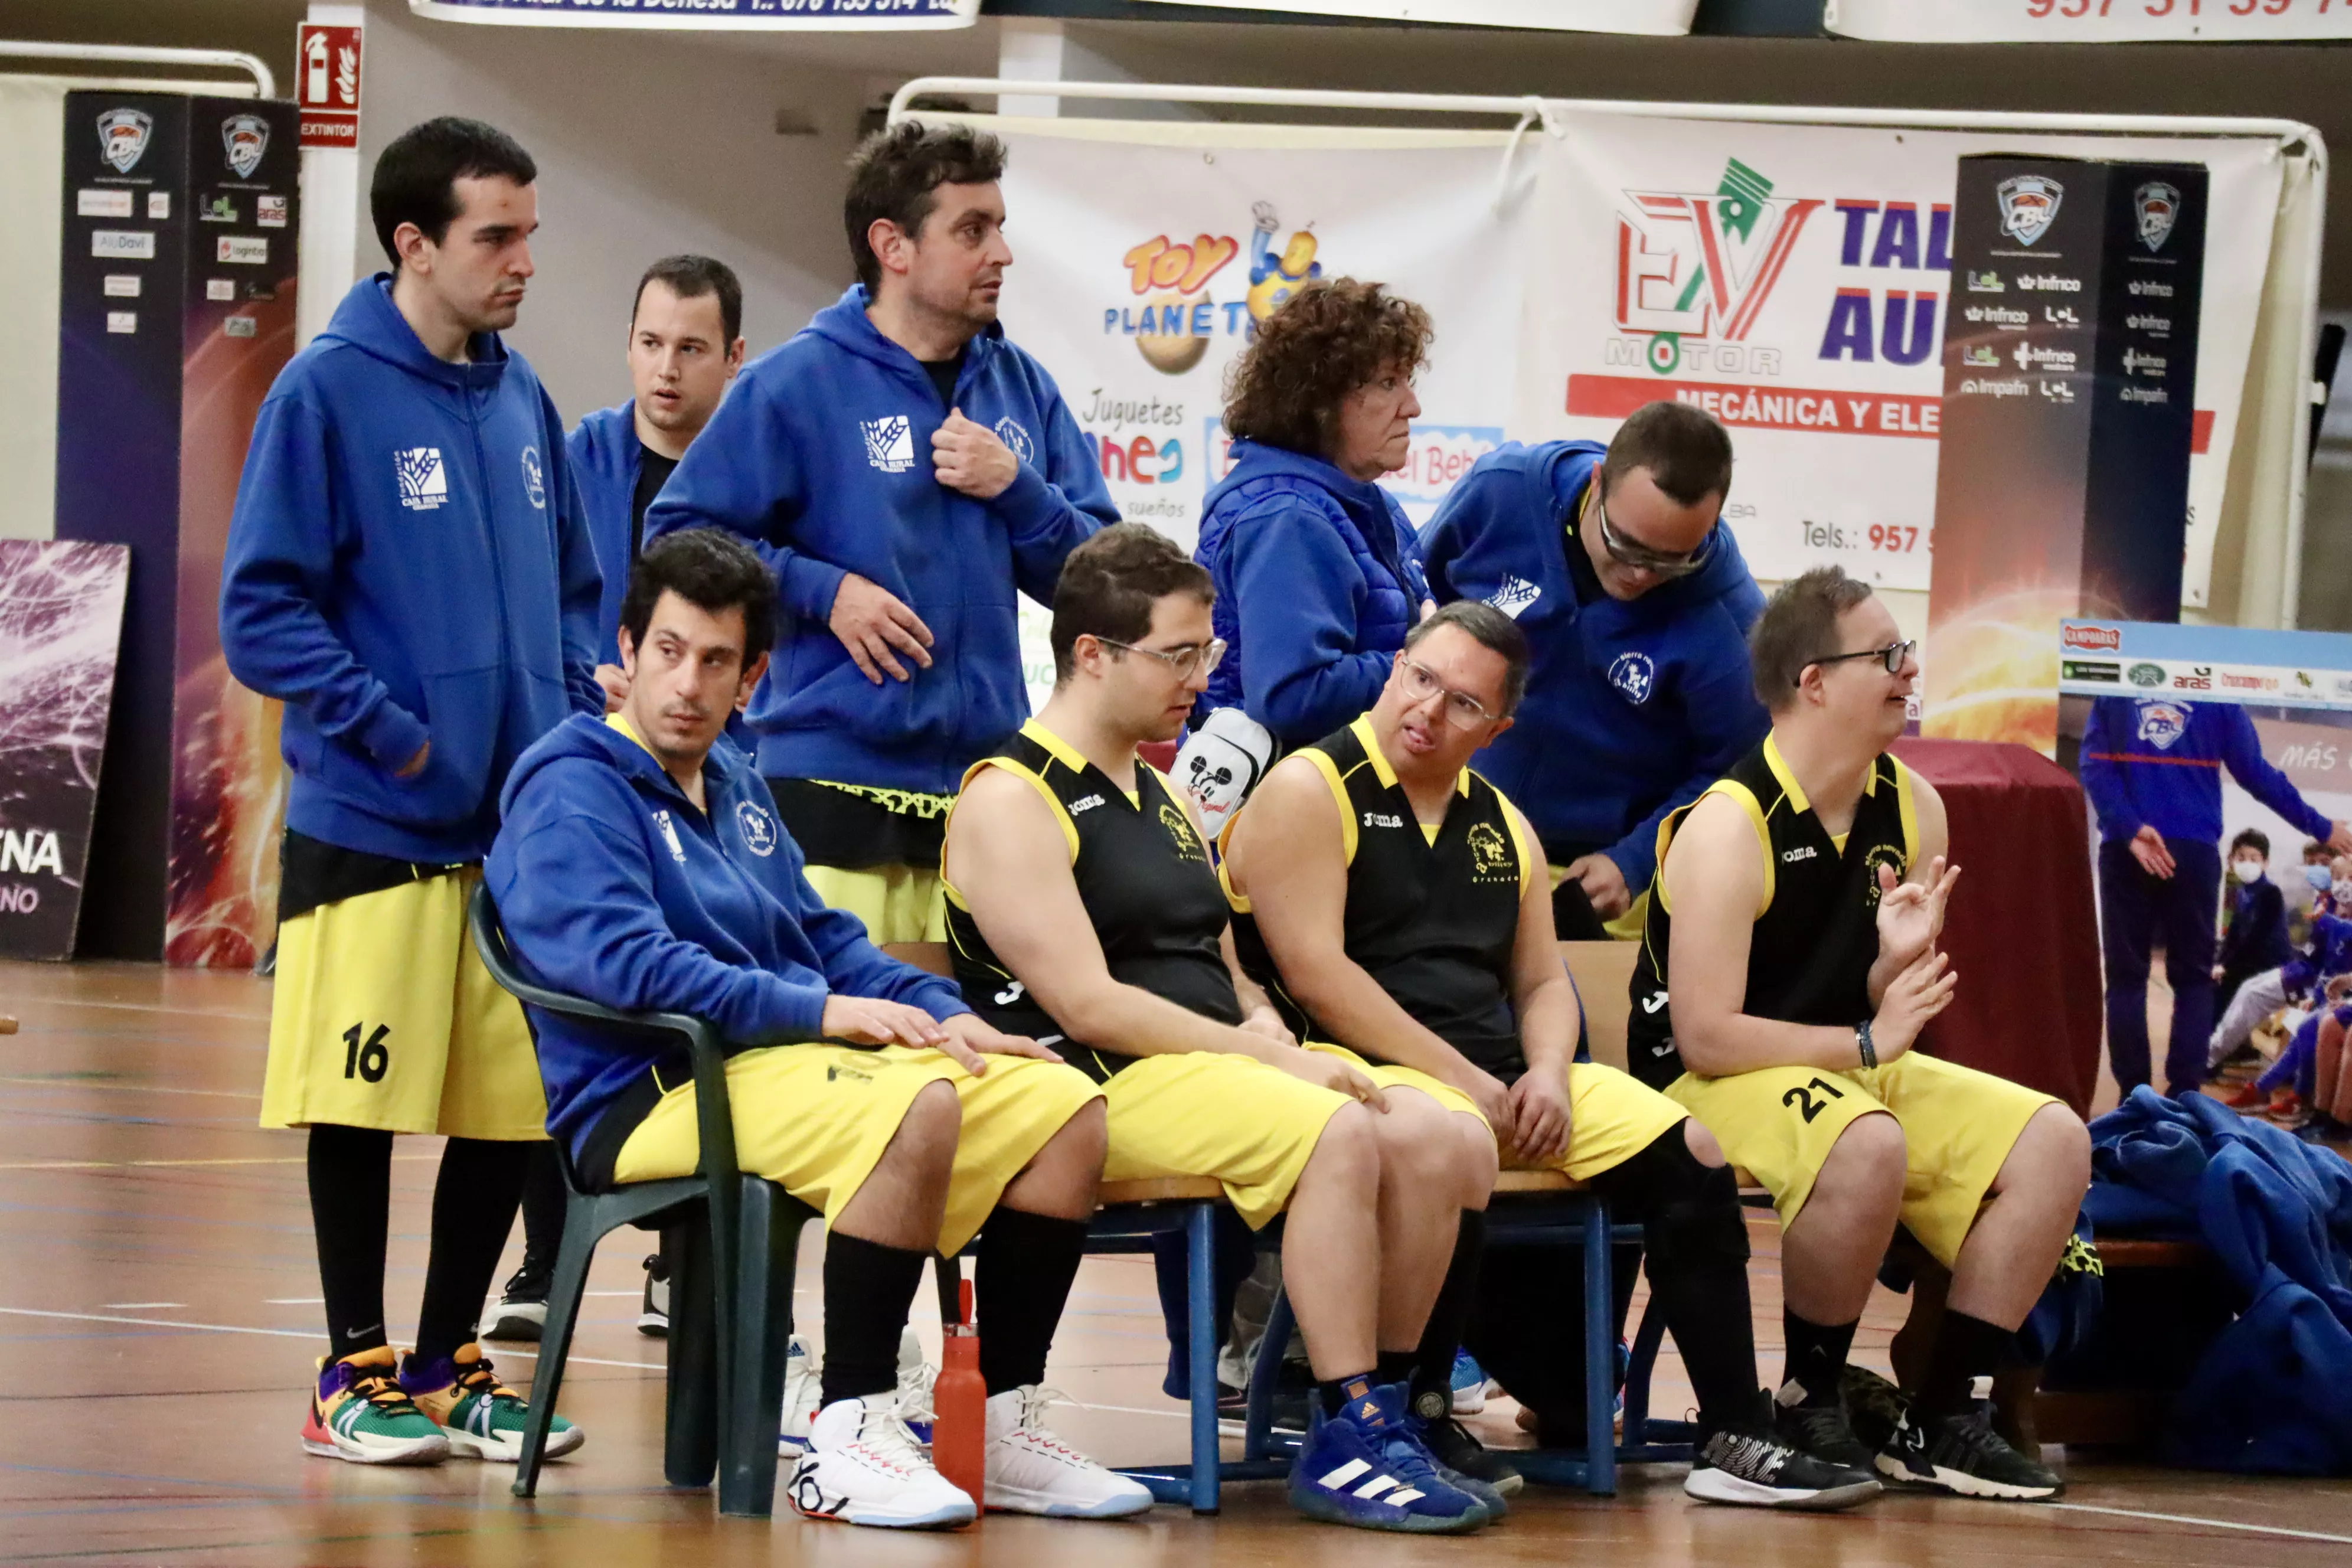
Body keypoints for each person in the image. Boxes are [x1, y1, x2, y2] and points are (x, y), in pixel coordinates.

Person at [487, 529, 1151, 1526]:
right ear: (625, 651)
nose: (687, 683)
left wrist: (947, 1015)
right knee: (915, 1104)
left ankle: (1001, 1426)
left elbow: (828, 940)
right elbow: (622, 965)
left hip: (767, 1065)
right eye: (667, 651)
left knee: (1061, 1105)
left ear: (752, 677)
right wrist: (825, 1012)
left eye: (717, 661)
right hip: (650, 1089)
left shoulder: (740, 783)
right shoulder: (569, 781)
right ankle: (847, 1427)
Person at [1222, 600, 1883, 1513]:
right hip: (1364, 1073)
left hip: (1497, 1076)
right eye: (1421, 678)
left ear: (1498, 728)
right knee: (1457, 1135)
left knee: (1690, 1149)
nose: (1427, 710)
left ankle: (1733, 1429)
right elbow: (1320, 977)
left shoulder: (1503, 823)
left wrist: (1545, 1071)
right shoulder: (1310, 788)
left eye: (1462, 704)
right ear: (1396, 666)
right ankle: (1411, 1408)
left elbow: (1541, 984)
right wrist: (1475, 1083)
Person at [942, 525, 1503, 1534]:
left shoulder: (1155, 787)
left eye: (1205, 651)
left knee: (1447, 1131)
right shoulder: (1007, 797)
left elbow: (1214, 943)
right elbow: (1087, 1003)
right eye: (1178, 654)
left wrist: (1254, 1014)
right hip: (1102, 1082)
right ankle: (1343, 1426)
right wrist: (1257, 1053)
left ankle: (1382, 1408)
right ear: (1090, 654)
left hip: (1215, 1061)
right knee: (1337, 1127)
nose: (1202, 676)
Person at [220, 117, 603, 1465]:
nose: (521, 262)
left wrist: (558, 718)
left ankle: (450, 1364)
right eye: (496, 235)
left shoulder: (523, 399)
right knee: (361, 1102)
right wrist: (392, 735)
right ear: (413, 243)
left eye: (528, 233)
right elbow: (261, 612)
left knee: (505, 1105)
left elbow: (575, 593)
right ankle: (350, 1368)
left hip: (513, 839)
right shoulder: (324, 393)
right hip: (372, 828)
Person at [1628, 567, 2092, 1501]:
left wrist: (1893, 965)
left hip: (1849, 1061)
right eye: (1887, 655)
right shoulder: (1727, 826)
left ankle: (1943, 1411)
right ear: (1814, 682)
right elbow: (1708, 1038)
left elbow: (1886, 1012)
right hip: (1707, 1084)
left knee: (2054, 1140)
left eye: (1905, 651)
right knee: (1864, 1140)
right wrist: (1870, 1042)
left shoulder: (1917, 807)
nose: (1909, 669)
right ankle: (1811, 1397)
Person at [645, 121, 1113, 953]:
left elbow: (1105, 587)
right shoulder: (797, 382)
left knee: (987, 1074)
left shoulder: (1021, 387)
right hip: (829, 793)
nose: (1001, 252)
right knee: (861, 1067)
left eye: (1001, 226)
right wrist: (826, 594)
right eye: (973, 230)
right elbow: (679, 534)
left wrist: (1020, 491)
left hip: (986, 797)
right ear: (892, 246)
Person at [485, 253, 749, 1347]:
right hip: (598, 769)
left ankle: (675, 1263)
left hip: (707, 788)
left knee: (716, 993)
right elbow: (545, 590)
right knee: (578, 1003)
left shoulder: (753, 480)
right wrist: (582, 685)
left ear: (735, 359)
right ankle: (549, 1260)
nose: (665, 370)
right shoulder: (576, 452)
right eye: (649, 343)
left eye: (691, 348)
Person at [1415, 402, 1769, 939]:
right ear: (1598, 482)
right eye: (1624, 544)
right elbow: (1411, 601)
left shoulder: (1731, 626)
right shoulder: (1502, 493)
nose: (1640, 575)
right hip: (1433, 829)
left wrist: (1636, 859)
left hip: (1586, 876)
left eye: (1672, 561)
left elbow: (1740, 771)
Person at [1180, 277, 1432, 829]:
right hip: (1285, 823)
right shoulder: (1286, 518)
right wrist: (1423, 664)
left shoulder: (1363, 501)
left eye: (1407, 380)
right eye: (1389, 383)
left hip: (1327, 810)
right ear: (1321, 403)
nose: (1411, 405)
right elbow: (1293, 696)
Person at [2079, 695, 2352, 1096]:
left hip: (2127, 849)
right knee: (2193, 980)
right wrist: (2320, 826)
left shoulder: (2118, 692)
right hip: (2194, 850)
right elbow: (2256, 774)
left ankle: (2134, 1095)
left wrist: (2129, 826)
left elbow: (2095, 765)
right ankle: (2186, 1094)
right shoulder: (2216, 696)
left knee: (2125, 979)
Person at [2213, 829, 2291, 1018]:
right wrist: (2218, 962)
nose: (2247, 863)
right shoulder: (2240, 892)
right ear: (2231, 860)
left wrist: (2227, 967)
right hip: (2249, 963)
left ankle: (2220, 1044)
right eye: (2241, 858)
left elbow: (2257, 939)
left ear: (2265, 863)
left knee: (2225, 990)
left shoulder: (2271, 893)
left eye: (2254, 859)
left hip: (2270, 968)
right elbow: (2233, 935)